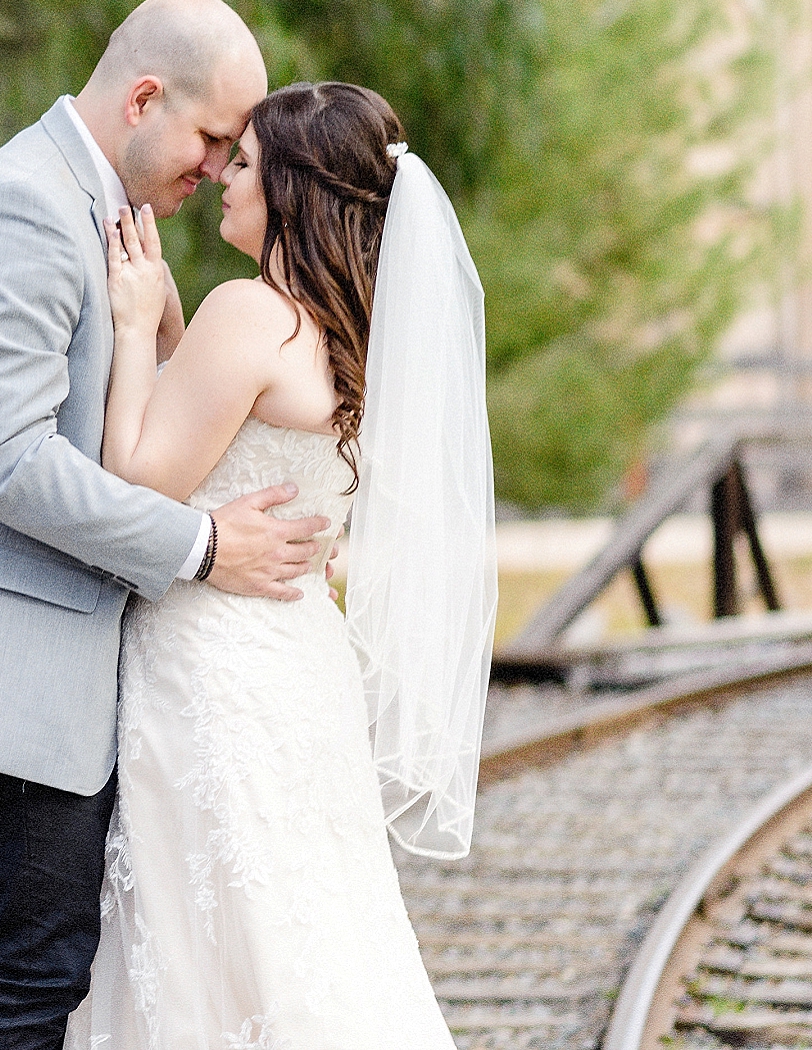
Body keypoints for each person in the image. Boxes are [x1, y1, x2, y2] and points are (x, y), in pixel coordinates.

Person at [0, 0, 335, 1046]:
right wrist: (203, 548)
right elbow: (4, 459)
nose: (216, 168)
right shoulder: (23, 208)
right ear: (142, 98)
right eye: (211, 138)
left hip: (51, 662)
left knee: (47, 964)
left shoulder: (93, 208)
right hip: (9, 659)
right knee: (29, 974)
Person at [68, 80, 493, 1046]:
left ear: (292, 192)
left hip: (212, 666)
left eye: (246, 164)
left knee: (208, 946)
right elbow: (227, 435)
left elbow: (135, 478)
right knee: (308, 938)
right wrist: (177, 334)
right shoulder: (358, 331)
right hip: (301, 667)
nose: (221, 174)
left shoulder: (251, 311)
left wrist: (135, 328)